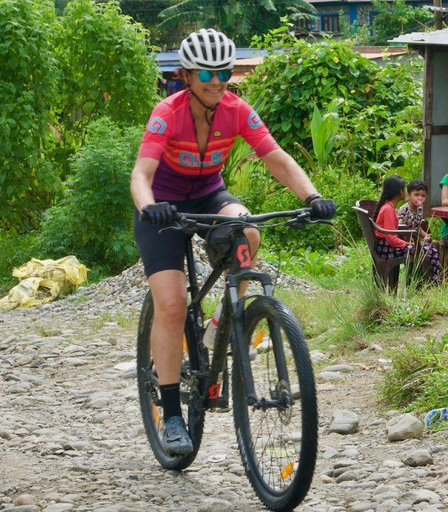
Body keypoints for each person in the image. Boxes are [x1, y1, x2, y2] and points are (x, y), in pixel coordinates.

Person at [130, 28, 336, 456]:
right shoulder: (167, 112)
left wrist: (311, 196)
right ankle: (171, 414)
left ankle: (224, 324)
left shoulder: (236, 109)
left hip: (208, 194)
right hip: (163, 207)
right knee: (171, 304)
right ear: (187, 74)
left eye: (223, 71)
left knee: (248, 230)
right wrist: (150, 206)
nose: (216, 80)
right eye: (207, 72)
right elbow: (141, 174)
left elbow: (275, 155)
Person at [374, 175, 441, 284]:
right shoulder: (388, 209)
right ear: (400, 192)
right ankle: (430, 282)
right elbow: (391, 237)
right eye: (404, 189)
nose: (405, 192)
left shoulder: (389, 207)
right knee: (429, 250)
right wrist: (406, 244)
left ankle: (428, 281)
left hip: (386, 246)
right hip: (386, 248)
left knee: (428, 249)